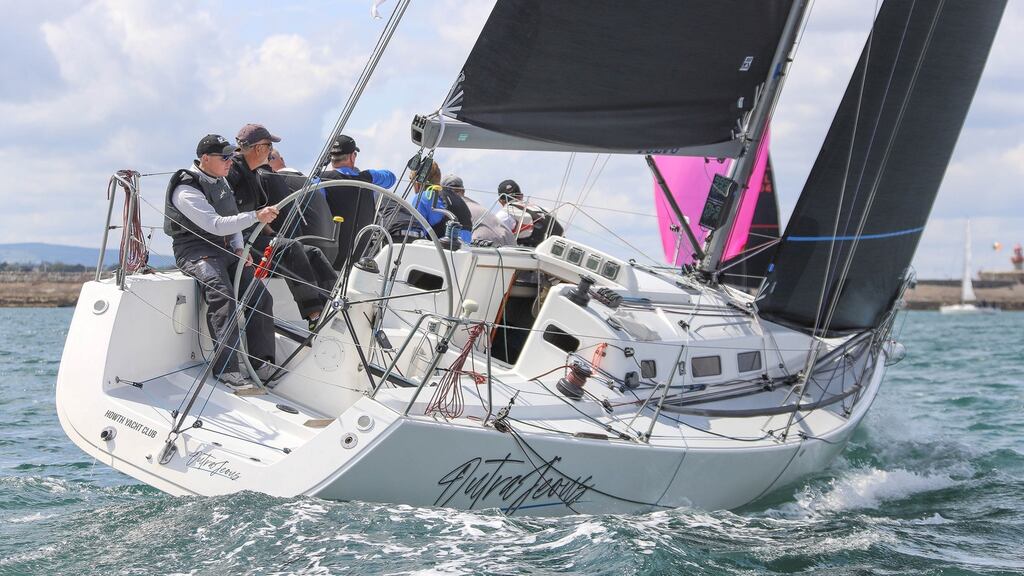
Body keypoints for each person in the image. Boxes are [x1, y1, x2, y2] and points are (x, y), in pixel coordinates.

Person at [163, 134, 279, 388]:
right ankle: (227, 369)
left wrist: (240, 248)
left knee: (260, 296)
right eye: (224, 157)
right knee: (223, 295)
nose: (230, 161)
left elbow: (231, 216)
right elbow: (215, 225)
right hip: (194, 251)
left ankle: (261, 364)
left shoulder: (221, 181)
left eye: (231, 155)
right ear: (205, 159)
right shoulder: (186, 190)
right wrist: (257, 216)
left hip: (225, 249)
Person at [229, 124, 337, 328]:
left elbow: (261, 216)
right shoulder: (232, 173)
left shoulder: (255, 175)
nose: (270, 153)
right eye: (269, 147)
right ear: (259, 148)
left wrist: (275, 234)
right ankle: (314, 314)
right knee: (289, 247)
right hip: (237, 242)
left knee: (312, 252)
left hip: (255, 237)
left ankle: (334, 306)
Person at [319, 134, 396, 269]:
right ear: (352, 156)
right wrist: (364, 174)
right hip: (357, 262)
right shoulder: (367, 178)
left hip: (329, 260)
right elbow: (391, 178)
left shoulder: (320, 180)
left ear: (330, 158)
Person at [388, 161, 472, 245]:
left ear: (418, 182)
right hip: (464, 251)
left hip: (440, 253)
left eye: (412, 180)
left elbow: (414, 231)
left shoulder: (423, 197)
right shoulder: (458, 199)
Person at [441, 175, 515, 247]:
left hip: (488, 245)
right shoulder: (476, 204)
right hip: (511, 242)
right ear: (463, 191)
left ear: (444, 192)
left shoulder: (452, 206)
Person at [496, 179, 564, 247]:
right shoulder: (545, 210)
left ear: (500, 201)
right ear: (521, 196)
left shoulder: (505, 213)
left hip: (526, 253)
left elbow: (493, 236)